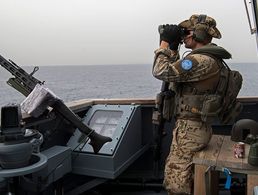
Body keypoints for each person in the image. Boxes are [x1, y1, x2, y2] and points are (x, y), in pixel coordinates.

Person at [152, 14, 232, 195]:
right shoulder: (206, 58)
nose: (184, 36)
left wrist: (164, 44)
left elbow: (161, 71)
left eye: (187, 32)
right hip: (192, 129)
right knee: (184, 177)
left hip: (191, 131)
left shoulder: (201, 60)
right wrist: (174, 48)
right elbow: (177, 75)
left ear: (199, 34)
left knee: (177, 183)